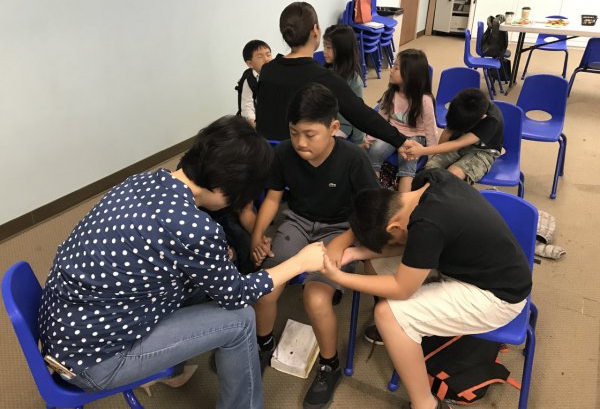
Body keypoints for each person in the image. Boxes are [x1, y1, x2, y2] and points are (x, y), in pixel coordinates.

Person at [38, 115, 326, 409]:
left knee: (200, 283)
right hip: (93, 362)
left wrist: (214, 259)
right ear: (224, 188)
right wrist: (300, 262)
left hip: (62, 328)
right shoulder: (194, 228)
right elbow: (236, 294)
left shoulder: (142, 180)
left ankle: (172, 371)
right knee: (241, 320)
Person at [321, 168, 532, 409]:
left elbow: (402, 288)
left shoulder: (429, 224)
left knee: (388, 315)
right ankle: (403, 337)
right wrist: (354, 253)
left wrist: (340, 277)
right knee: (377, 265)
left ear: (393, 227)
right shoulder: (430, 180)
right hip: (483, 268)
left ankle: (426, 405)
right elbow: (412, 243)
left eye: (392, 238)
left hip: (499, 297)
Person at [251, 83, 380, 408]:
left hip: (340, 228)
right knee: (266, 287)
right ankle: (262, 344)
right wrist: (257, 233)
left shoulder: (353, 158)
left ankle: (329, 364)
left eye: (310, 134)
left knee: (316, 297)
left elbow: (370, 212)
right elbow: (274, 198)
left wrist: (344, 241)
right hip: (297, 221)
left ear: (334, 128)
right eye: (294, 132)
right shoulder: (284, 153)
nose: (300, 142)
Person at [255, 1, 415, 156]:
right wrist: (400, 140)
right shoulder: (324, 78)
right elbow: (361, 114)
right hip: (305, 158)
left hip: (267, 156)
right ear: (315, 30)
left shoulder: (267, 70)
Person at [367, 49, 438, 192]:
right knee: (375, 151)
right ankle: (375, 193)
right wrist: (370, 139)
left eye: (396, 68)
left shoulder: (424, 100)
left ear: (410, 74)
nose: (391, 70)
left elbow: (431, 129)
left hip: (415, 136)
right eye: (393, 66)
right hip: (393, 132)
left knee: (407, 159)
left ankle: (403, 199)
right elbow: (381, 119)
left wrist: (432, 155)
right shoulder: (390, 94)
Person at [404, 88, 503, 185]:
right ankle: (424, 191)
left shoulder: (491, 121)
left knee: (451, 176)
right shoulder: (460, 107)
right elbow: (448, 133)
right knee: (430, 169)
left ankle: (424, 193)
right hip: (458, 142)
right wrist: (434, 154)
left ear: (482, 117)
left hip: (482, 151)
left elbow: (457, 143)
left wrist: (423, 150)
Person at [322, 24, 367, 145]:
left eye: (329, 47)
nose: (324, 51)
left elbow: (358, 113)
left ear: (342, 50)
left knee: (320, 142)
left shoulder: (354, 81)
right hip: (323, 120)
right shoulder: (325, 71)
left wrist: (359, 140)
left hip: (341, 126)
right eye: (324, 46)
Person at [236, 39, 272, 126]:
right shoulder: (249, 80)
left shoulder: (278, 73)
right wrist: (253, 123)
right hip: (259, 121)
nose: (266, 59)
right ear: (250, 64)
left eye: (268, 54)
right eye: (260, 56)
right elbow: (247, 107)